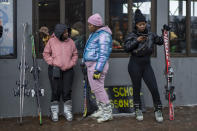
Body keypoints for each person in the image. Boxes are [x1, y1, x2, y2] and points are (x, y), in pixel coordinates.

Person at [124, 9, 164, 123]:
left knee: (154, 87)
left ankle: (158, 109)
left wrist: (165, 33)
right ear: (136, 25)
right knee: (136, 88)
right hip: (134, 64)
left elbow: (161, 41)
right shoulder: (131, 35)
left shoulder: (151, 34)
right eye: (140, 24)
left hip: (147, 65)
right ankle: (138, 109)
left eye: (143, 24)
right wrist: (137, 40)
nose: (142, 26)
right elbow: (126, 48)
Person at [43, 24, 78, 122]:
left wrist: (71, 63)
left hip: (68, 70)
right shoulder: (51, 41)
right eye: (65, 32)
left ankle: (67, 112)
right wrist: (53, 62)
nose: (67, 33)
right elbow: (46, 54)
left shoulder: (71, 42)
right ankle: (54, 112)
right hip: (55, 70)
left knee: (67, 91)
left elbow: (75, 54)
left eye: (67, 32)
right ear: (60, 33)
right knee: (55, 91)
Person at [82, 13, 113, 123]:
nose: (88, 26)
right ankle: (101, 109)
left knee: (99, 89)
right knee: (95, 89)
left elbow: (104, 53)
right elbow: (89, 49)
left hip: (97, 66)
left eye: (90, 25)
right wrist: (84, 61)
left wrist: (98, 69)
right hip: (92, 66)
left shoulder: (103, 35)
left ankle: (107, 113)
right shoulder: (94, 33)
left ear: (96, 25)